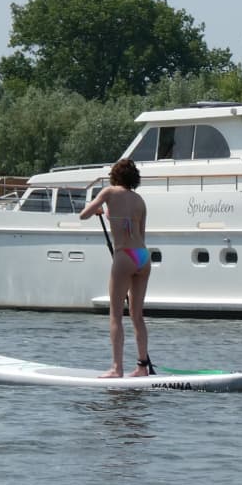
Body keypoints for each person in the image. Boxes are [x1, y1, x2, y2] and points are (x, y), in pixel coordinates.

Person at [79, 159, 154, 378]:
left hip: (124, 256)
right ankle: (142, 367)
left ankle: (116, 368)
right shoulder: (140, 200)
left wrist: (98, 209)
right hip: (142, 256)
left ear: (115, 176)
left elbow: (83, 214)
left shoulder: (109, 192)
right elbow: (142, 233)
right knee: (137, 315)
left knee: (115, 315)